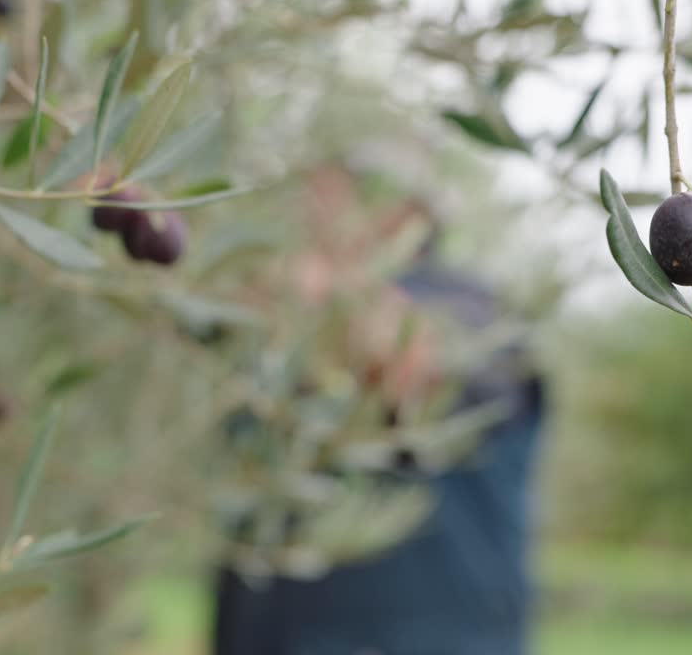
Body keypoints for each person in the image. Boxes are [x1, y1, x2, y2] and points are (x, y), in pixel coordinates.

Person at [212, 167, 544, 655]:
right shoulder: (269, 324)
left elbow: (414, 353)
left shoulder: (473, 312)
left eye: (334, 189)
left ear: (404, 211)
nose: (309, 207)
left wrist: (338, 305)